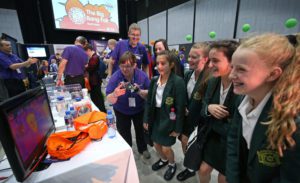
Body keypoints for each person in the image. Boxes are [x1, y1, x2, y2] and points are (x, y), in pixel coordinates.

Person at [227, 33, 300, 182]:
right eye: (232, 67)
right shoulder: (242, 99)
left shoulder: (293, 120)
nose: (231, 75)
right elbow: (234, 141)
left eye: (241, 69)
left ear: (272, 74)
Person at [199, 40, 239, 183]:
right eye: (209, 60)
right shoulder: (212, 82)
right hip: (212, 138)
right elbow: (203, 106)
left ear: (232, 61)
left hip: (231, 143)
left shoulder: (242, 87)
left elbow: (239, 126)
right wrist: (208, 108)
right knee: (203, 170)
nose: (210, 65)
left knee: (223, 178)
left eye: (215, 60)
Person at [144, 50, 186, 181]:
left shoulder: (178, 82)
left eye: (163, 63)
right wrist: (146, 119)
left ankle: (172, 164)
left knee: (167, 148)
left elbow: (180, 108)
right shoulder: (154, 80)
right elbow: (149, 102)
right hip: (155, 117)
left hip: (169, 119)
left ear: (171, 64)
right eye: (157, 63)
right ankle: (163, 160)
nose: (159, 66)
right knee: (156, 144)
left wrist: (178, 129)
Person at [106, 51, 150, 159]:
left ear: (135, 65)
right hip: (121, 110)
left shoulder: (142, 76)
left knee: (140, 131)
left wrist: (140, 91)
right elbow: (108, 99)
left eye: (128, 66)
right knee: (124, 132)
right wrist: (114, 94)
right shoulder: (116, 77)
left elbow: (150, 94)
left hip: (139, 109)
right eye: (122, 66)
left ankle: (143, 148)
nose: (125, 69)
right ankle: (128, 150)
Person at [176, 42, 211, 181]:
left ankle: (194, 168)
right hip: (187, 120)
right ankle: (190, 168)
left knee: (199, 154)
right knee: (184, 142)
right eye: (189, 56)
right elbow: (183, 94)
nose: (189, 59)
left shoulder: (210, 79)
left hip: (201, 124)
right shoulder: (188, 74)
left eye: (194, 57)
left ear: (205, 59)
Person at [84, 44, 106, 112]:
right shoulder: (94, 57)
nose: (86, 54)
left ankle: (101, 111)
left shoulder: (94, 57)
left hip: (95, 81)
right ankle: (100, 110)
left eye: (86, 52)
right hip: (95, 80)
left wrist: (86, 67)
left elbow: (90, 68)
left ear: (89, 50)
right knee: (96, 96)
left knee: (97, 97)